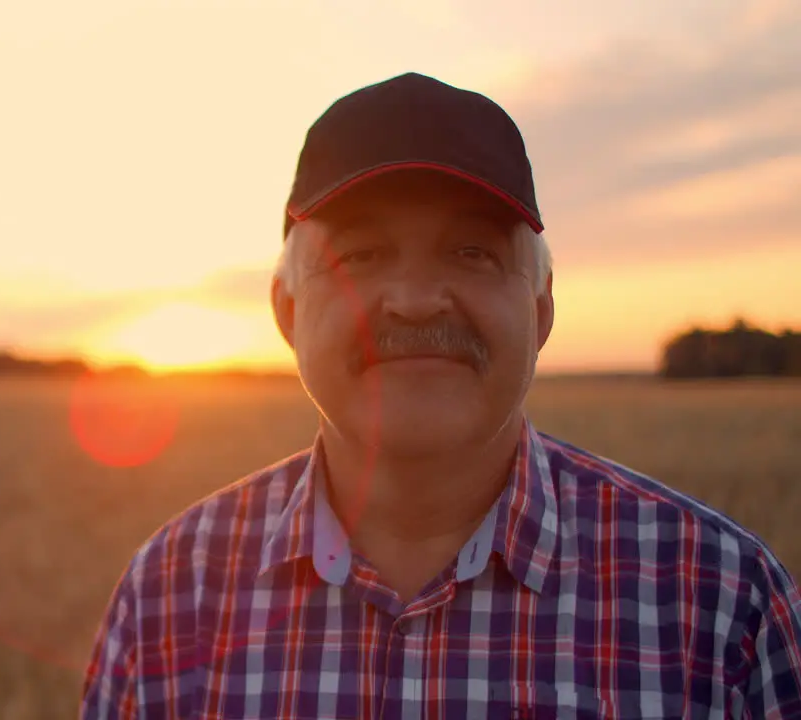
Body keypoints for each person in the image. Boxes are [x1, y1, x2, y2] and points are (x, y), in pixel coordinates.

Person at [79, 72, 801, 719]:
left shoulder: (721, 607)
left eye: (472, 252)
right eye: (360, 255)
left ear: (541, 308)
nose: (417, 302)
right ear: (288, 311)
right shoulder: (170, 597)